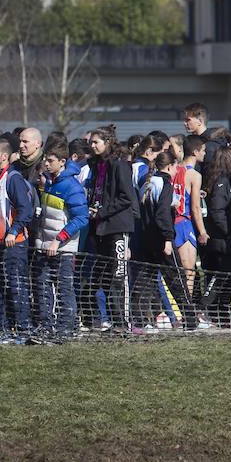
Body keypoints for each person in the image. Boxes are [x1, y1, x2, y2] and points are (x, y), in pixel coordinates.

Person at [131, 151, 192, 332]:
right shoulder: (165, 184)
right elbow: (162, 214)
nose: (176, 171)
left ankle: (140, 321)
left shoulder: (148, 183)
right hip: (161, 240)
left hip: (145, 239)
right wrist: (168, 238)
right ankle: (190, 319)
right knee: (177, 280)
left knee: (144, 281)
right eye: (175, 167)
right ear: (169, 167)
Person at [33, 141, 88, 341]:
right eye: (45, 160)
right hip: (45, 246)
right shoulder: (49, 181)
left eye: (50, 161)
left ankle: (66, 328)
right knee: (43, 285)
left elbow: (81, 218)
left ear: (62, 162)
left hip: (63, 248)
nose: (46, 164)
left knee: (64, 288)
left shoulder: (71, 186)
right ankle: (46, 326)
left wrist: (59, 240)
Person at [86, 128, 137, 332]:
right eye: (91, 142)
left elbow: (126, 197)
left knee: (119, 275)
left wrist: (103, 212)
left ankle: (123, 323)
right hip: (101, 228)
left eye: (96, 142)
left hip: (117, 226)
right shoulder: (96, 165)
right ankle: (113, 320)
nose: (92, 146)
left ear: (107, 142)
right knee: (105, 277)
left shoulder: (119, 165)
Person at [0, 137, 33, 342]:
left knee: (16, 286)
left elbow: (25, 209)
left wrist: (14, 231)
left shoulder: (12, 178)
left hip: (14, 244)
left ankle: (23, 330)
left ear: (4, 157)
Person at [200, 145, 231, 319]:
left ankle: (223, 310)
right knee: (220, 276)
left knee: (230, 275)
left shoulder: (227, 180)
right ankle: (204, 308)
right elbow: (217, 211)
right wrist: (228, 231)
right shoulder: (222, 181)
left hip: (230, 238)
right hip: (223, 239)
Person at [173, 135, 209, 295]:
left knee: (174, 271)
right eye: (203, 150)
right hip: (184, 223)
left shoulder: (174, 169)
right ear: (195, 152)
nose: (205, 154)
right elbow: (195, 207)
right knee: (189, 272)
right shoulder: (194, 175)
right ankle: (186, 311)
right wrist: (202, 232)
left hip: (170, 221)